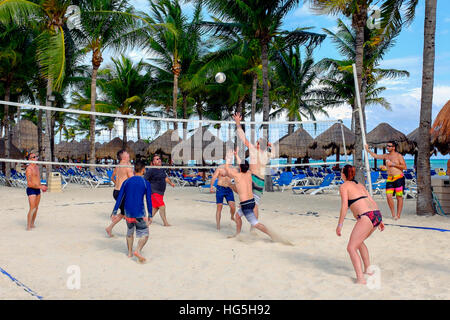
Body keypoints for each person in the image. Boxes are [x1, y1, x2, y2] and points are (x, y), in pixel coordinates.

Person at [337, 164, 385, 285]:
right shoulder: (360, 185)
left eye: (341, 172)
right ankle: (368, 270)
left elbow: (344, 206)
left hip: (366, 216)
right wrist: (380, 220)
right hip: (376, 214)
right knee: (358, 242)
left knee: (351, 247)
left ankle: (360, 279)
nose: (340, 173)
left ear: (344, 174)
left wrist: (340, 224)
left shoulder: (344, 186)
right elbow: (372, 200)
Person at [224, 150, 274, 240]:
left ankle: (272, 235)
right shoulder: (249, 173)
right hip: (252, 202)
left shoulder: (237, 176)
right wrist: (236, 155)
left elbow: (227, 168)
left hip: (246, 204)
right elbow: (242, 164)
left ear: (240, 167)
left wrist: (228, 159)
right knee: (237, 216)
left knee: (255, 223)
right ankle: (238, 234)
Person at [232, 113, 273, 221]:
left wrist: (237, 123)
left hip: (252, 178)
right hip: (261, 181)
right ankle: (253, 226)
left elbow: (242, 137)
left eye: (257, 142)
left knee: (242, 193)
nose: (255, 143)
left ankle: (241, 209)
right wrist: (269, 144)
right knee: (255, 204)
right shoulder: (267, 155)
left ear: (259, 145)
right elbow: (273, 149)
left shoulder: (254, 150)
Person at [112, 160, 152, 263]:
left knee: (129, 232)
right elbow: (148, 200)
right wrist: (150, 214)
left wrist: (114, 211)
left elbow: (120, 197)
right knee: (145, 234)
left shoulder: (126, 182)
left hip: (128, 212)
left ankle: (129, 253)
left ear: (134, 170)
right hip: (139, 213)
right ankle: (137, 251)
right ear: (143, 170)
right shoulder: (145, 183)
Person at [365, 142, 407, 220]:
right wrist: (368, 150)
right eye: (387, 146)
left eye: (389, 146)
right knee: (388, 196)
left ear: (393, 147)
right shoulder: (386, 156)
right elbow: (376, 156)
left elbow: (404, 167)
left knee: (399, 197)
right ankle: (393, 214)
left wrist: (393, 164)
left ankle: (398, 215)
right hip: (390, 179)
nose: (387, 147)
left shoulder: (398, 156)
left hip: (399, 178)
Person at [105, 149, 134, 237]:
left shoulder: (118, 166)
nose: (129, 155)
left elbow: (112, 177)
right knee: (127, 213)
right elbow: (133, 180)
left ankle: (109, 228)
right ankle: (130, 232)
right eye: (127, 154)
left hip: (116, 191)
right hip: (122, 193)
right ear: (124, 156)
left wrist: (117, 184)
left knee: (123, 213)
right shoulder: (127, 166)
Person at [144, 154, 175, 227]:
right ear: (153, 162)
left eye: (159, 159)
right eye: (157, 159)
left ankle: (147, 222)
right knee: (162, 206)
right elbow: (144, 180)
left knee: (155, 208)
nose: (159, 160)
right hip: (154, 192)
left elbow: (165, 178)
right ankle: (165, 223)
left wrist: (171, 183)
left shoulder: (161, 169)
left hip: (160, 193)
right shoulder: (151, 170)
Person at [25, 153, 47, 230]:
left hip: (37, 189)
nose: (36, 158)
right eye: (34, 157)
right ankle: (28, 226)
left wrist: (42, 187)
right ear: (30, 159)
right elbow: (29, 183)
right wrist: (40, 186)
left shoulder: (37, 167)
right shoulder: (29, 169)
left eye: (36, 156)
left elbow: (38, 179)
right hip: (31, 189)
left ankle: (32, 224)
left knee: (36, 208)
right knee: (32, 208)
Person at [210, 165, 236, 230]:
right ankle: (218, 225)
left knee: (232, 206)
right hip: (220, 188)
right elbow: (214, 177)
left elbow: (235, 179)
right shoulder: (220, 168)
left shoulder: (233, 168)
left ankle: (232, 217)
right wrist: (211, 186)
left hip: (229, 189)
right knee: (219, 207)